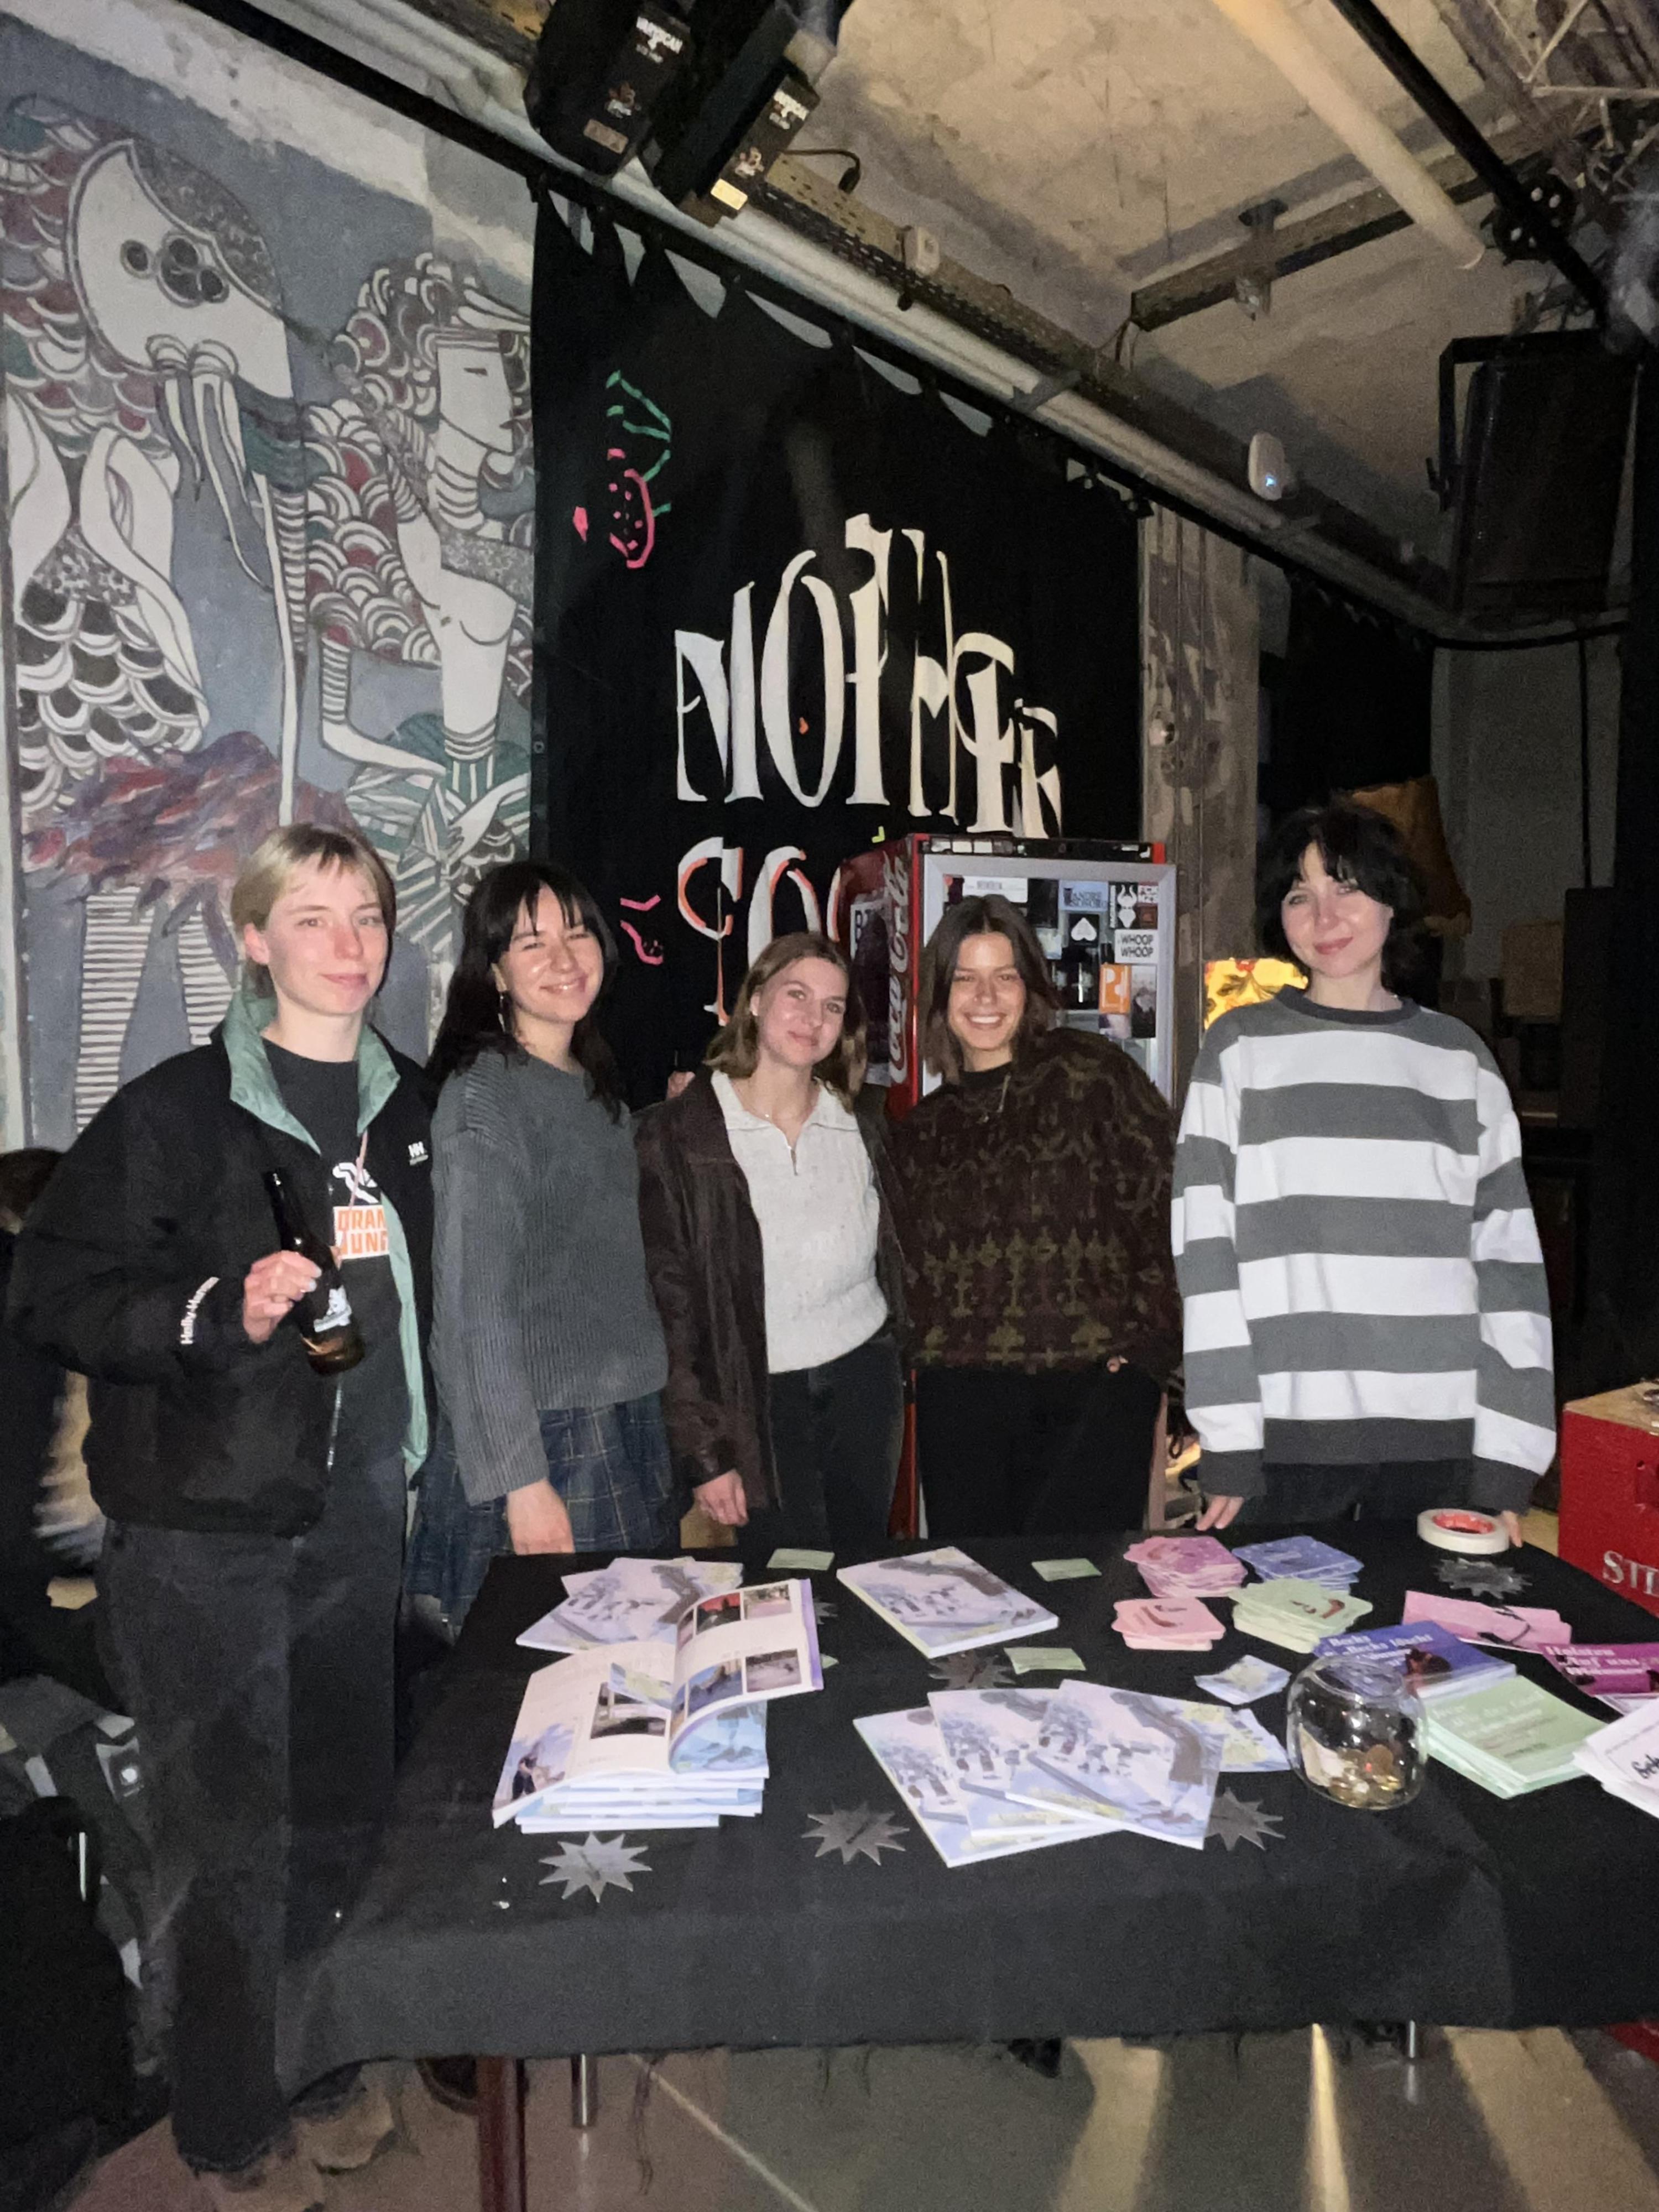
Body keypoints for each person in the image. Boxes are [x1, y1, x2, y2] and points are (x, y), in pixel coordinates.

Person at [7, 824, 433, 2211]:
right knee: (227, 1843)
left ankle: (316, 2066)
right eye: (311, 917)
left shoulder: (404, 1107)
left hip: (358, 1515)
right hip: (205, 1536)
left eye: (365, 914)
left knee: (340, 1816)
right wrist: (212, 1310)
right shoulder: (177, 1112)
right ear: (253, 939)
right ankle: (229, 2125)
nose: (348, 943)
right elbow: (53, 1289)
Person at [1172, 800, 1556, 1539]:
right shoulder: (1240, 1050)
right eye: (1299, 895)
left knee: (1436, 1622)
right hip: (1284, 1443)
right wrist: (1229, 1435)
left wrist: (1510, 1456)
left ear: (1390, 900)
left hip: (1443, 1444)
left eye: (1346, 886)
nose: (1325, 916)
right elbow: (1206, 1254)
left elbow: (1509, 1266)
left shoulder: (1459, 1059)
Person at [885, 894, 1181, 1539]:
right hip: (961, 1399)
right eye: (965, 978)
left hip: (1094, 1390)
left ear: (1032, 988)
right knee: (978, 1584)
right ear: (940, 996)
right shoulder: (922, 1131)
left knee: (1077, 1583)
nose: (986, 997)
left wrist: (1147, 1362)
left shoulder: (1093, 1076)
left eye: (1005, 976)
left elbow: (1170, 1208)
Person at [417, 861, 675, 1601]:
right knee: (552, 1660)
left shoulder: (591, 1087)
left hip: (627, 1416)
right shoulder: (487, 1096)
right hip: (548, 1435)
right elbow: (473, 1310)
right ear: (495, 972)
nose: (565, 958)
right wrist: (521, 1481)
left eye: (578, 933)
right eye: (532, 943)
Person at [636, 932, 905, 1556]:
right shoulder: (681, 1135)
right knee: (788, 1581)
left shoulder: (863, 1121)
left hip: (865, 1383)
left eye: (833, 1006)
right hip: (757, 1401)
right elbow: (670, 1309)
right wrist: (706, 1453)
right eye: (796, 995)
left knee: (864, 1570)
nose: (813, 1018)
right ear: (755, 1000)